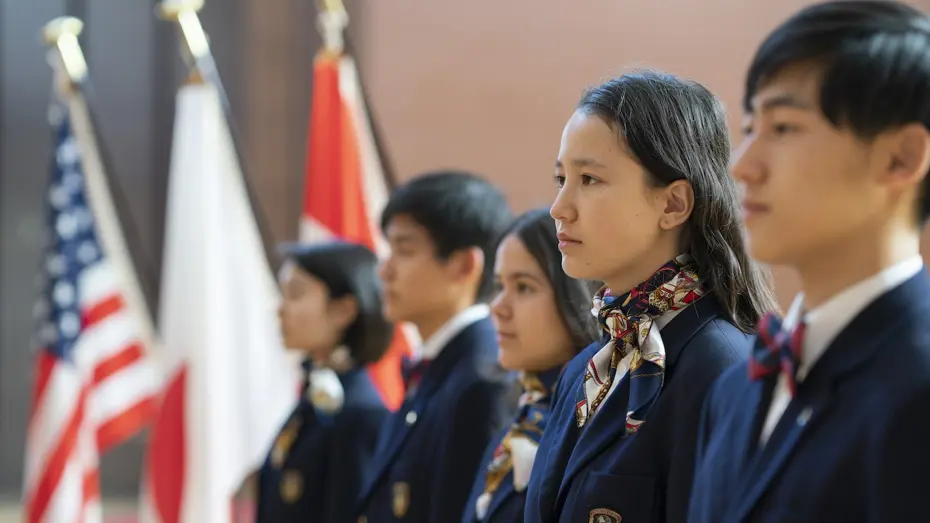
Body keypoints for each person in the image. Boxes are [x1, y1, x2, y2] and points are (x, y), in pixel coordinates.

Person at [688, 2, 930, 522]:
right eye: (751, 126)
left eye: (784, 127)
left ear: (901, 157)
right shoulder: (736, 390)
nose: (743, 165)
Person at [523, 71, 779, 523]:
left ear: (674, 204)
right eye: (561, 178)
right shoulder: (585, 371)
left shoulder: (722, 370)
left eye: (590, 179)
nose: (559, 207)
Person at [356, 171, 515, 523]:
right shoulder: (439, 369)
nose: (384, 270)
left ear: (464, 265)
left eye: (405, 249)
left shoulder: (482, 381)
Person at [461, 208, 601, 523]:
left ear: (578, 295)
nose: (497, 306)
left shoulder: (592, 425)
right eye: (499, 285)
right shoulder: (525, 409)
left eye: (523, 287)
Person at [256, 241, 393, 523]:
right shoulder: (314, 399)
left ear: (343, 310)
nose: (280, 309)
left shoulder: (361, 416)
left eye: (295, 294)